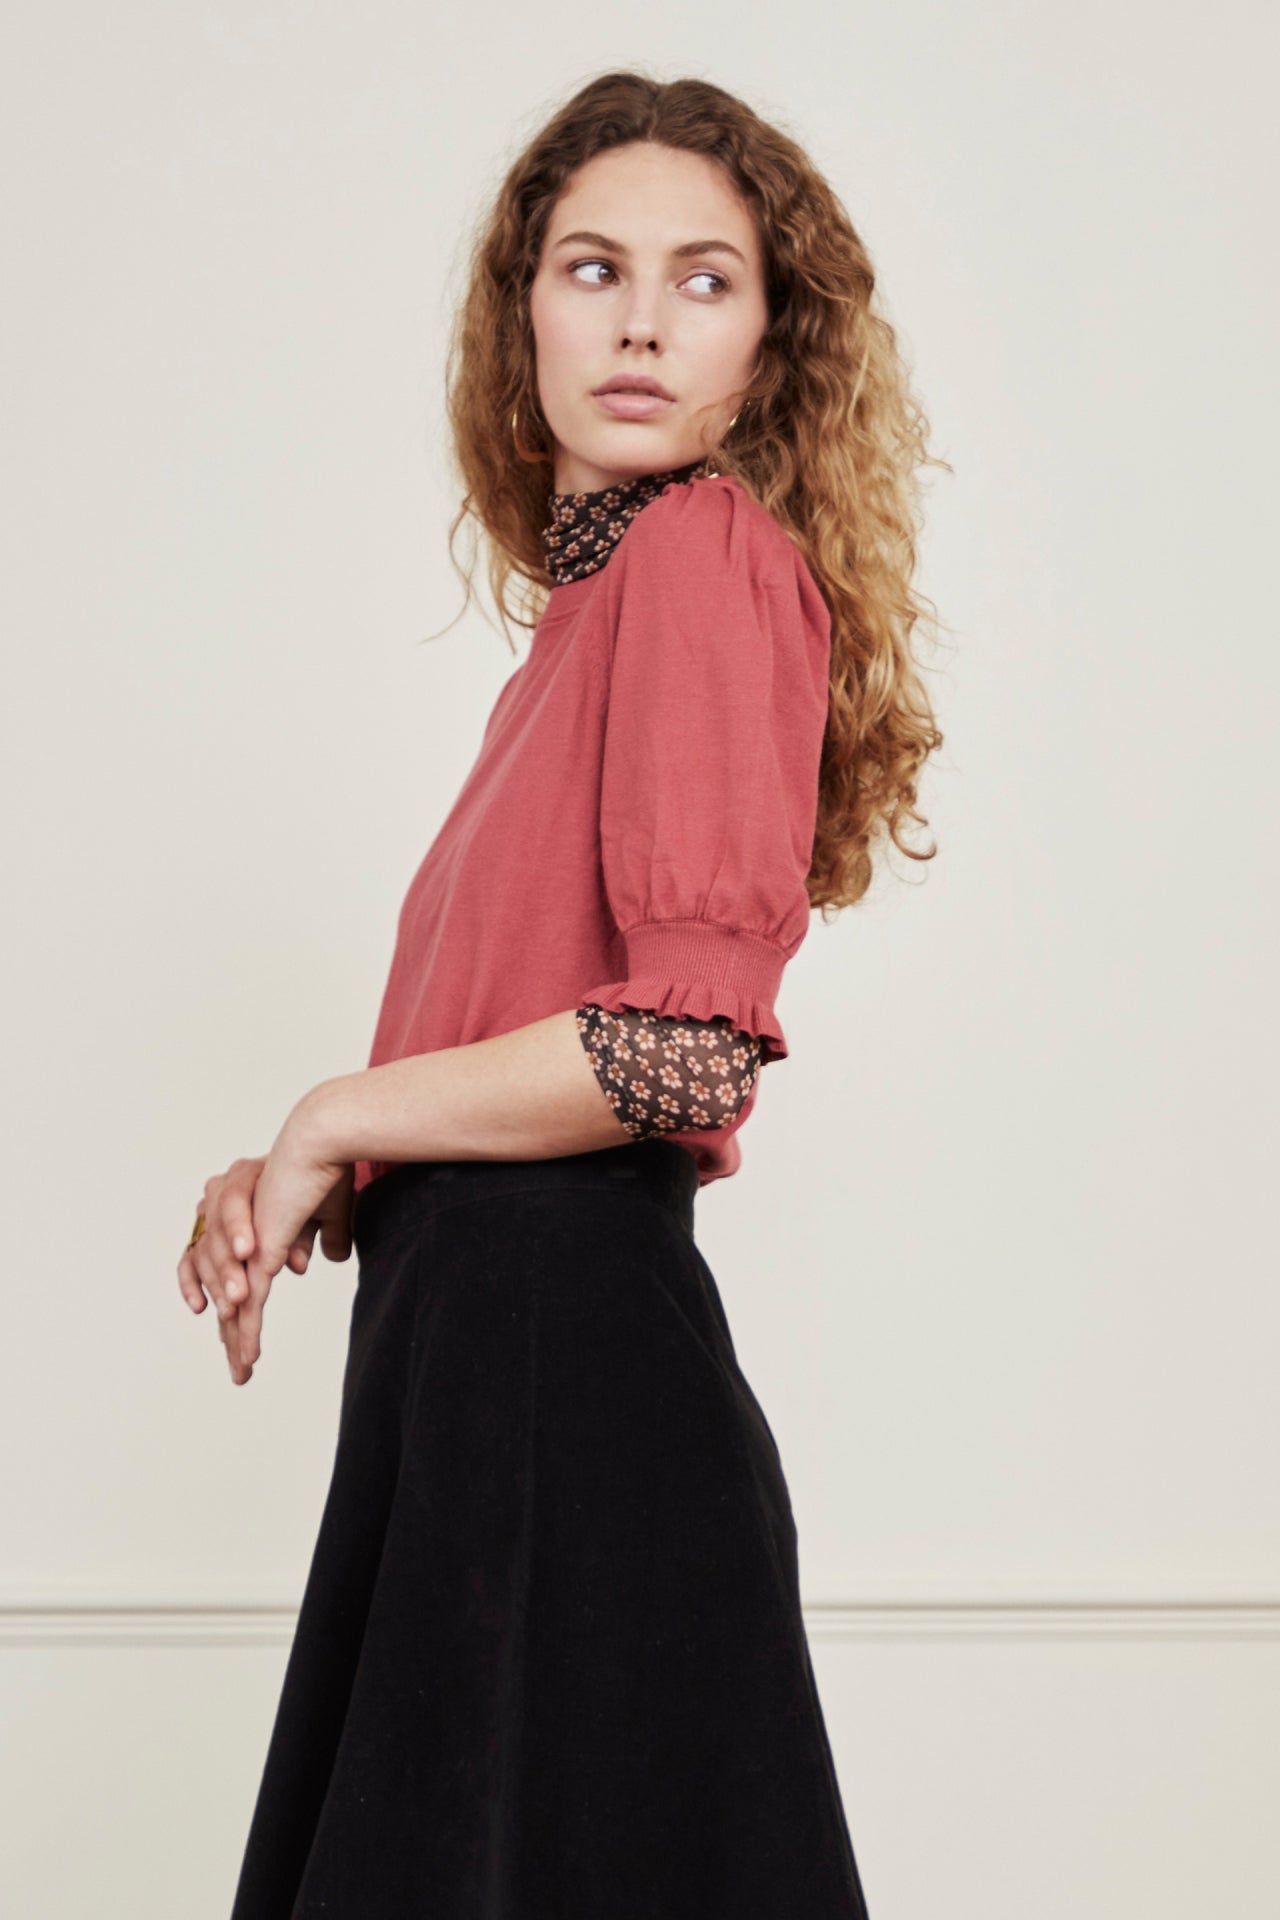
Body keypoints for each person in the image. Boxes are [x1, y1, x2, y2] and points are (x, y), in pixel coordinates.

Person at [178, 69, 946, 1920]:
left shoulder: (697, 554)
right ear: (521, 312)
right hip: (489, 1367)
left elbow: (679, 1057)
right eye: (595, 269)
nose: (641, 322)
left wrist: (335, 1113)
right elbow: (539, 1039)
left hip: (560, 1373)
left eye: (705, 280)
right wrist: (323, 1167)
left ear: (768, 349)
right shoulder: (585, 627)